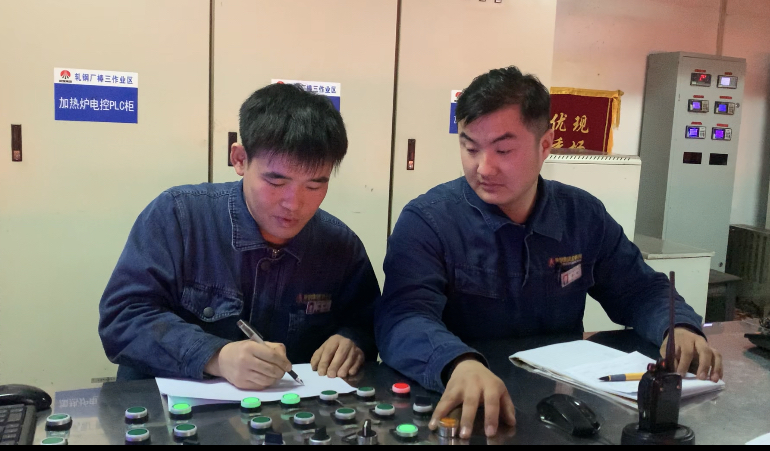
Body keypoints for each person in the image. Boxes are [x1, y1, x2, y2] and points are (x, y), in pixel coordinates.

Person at [375, 66, 722, 439]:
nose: (483, 167)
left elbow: (639, 289)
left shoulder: (581, 216)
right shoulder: (429, 221)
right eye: (470, 148)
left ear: (545, 145)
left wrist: (678, 326)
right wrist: (456, 363)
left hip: (563, 410)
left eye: (503, 150)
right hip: (464, 406)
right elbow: (402, 317)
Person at [99, 83, 379, 390]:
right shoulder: (178, 216)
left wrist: (354, 340)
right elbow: (122, 319)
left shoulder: (340, 246)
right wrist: (215, 356)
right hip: (169, 411)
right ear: (240, 159)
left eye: (314, 186)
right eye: (276, 182)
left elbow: (369, 323)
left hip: (289, 412)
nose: (294, 204)